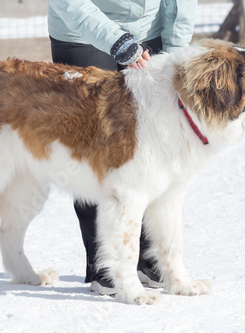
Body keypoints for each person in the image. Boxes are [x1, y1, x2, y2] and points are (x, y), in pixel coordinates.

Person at [46, 0, 197, 295]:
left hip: (148, 28)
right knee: (92, 151)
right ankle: (106, 265)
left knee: (152, 151)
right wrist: (115, 40)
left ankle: (148, 259)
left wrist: (175, 54)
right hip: (81, 31)